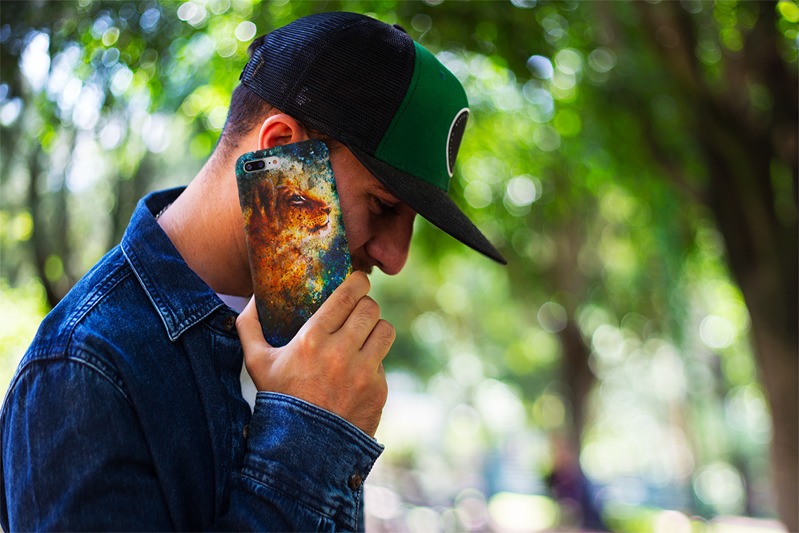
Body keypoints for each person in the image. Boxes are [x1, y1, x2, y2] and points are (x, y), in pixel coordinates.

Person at [0, 11, 506, 531]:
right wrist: (310, 432)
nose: (395, 258)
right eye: (382, 205)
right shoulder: (82, 369)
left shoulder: (306, 337)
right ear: (281, 148)